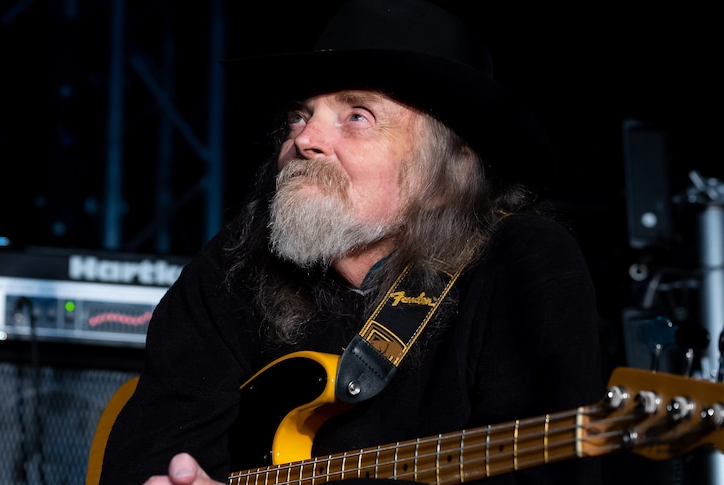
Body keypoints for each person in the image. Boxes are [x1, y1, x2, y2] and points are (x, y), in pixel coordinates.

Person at [99, 0, 604, 484]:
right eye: (300, 115)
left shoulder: (525, 261)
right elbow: (149, 452)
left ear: (448, 168)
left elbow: (549, 475)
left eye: (357, 115)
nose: (304, 138)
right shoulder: (234, 265)